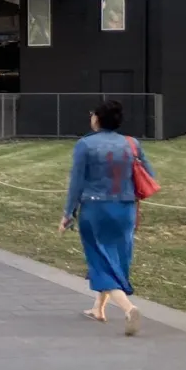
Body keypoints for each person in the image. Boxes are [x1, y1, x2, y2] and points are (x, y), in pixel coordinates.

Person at [60, 98, 155, 335]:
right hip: (125, 209)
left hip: (95, 209)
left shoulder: (85, 145)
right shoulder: (132, 144)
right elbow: (148, 174)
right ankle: (98, 309)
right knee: (115, 257)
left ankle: (128, 308)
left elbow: (77, 183)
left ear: (98, 118)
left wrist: (68, 213)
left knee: (99, 258)